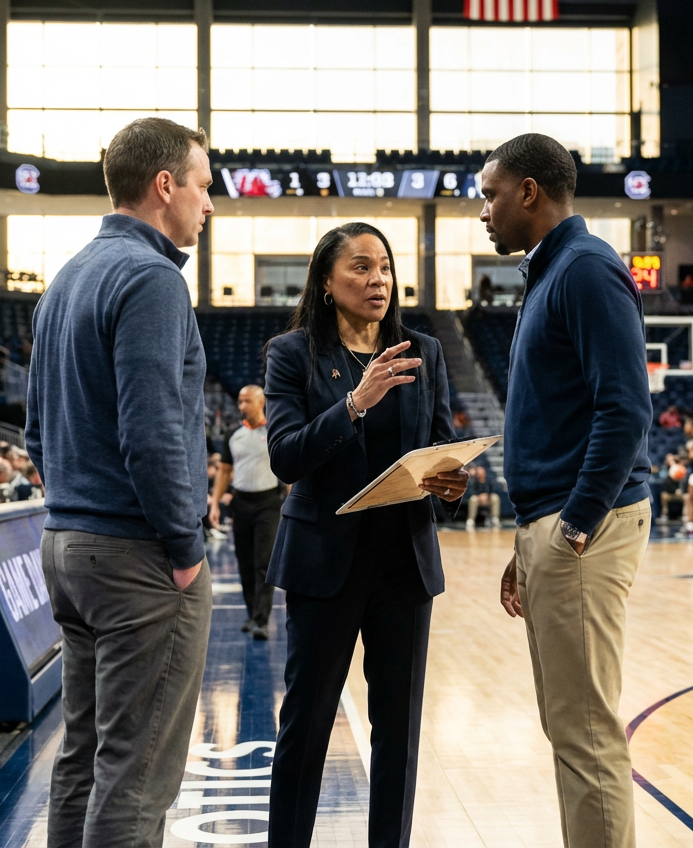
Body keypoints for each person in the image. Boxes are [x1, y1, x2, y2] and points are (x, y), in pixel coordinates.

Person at [25, 117, 215, 847]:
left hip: (67, 546)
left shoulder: (68, 277)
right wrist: (184, 547)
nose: (207, 204)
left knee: (83, 757)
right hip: (136, 556)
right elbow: (154, 432)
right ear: (163, 186)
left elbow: (38, 431)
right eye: (201, 186)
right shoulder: (152, 278)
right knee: (137, 775)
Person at [265, 222, 466, 848]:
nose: (377, 279)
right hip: (325, 563)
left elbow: (438, 450)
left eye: (383, 267)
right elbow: (286, 457)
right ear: (326, 282)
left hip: (404, 565)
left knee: (398, 730)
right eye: (360, 267)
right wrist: (354, 402)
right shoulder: (292, 352)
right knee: (307, 725)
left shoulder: (423, 350)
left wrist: (452, 488)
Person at [484, 133, 652, 848]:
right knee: (569, 728)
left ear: (529, 192)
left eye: (491, 194)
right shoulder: (551, 272)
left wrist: (573, 526)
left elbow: (627, 409)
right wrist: (532, 538)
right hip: (554, 525)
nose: (483, 210)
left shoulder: (584, 269)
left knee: (585, 734)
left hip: (584, 526)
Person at [208, 385, 282, 640]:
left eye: (247, 401)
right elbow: (225, 472)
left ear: (261, 402)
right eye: (239, 402)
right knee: (245, 562)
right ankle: (252, 614)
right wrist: (215, 503)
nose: (241, 407)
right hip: (241, 504)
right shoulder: (234, 434)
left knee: (263, 563)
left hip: (269, 504)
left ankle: (262, 619)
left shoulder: (274, 431)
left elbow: (287, 467)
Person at [465, 464, 502, 530]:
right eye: (479, 472)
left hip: (488, 499)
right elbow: (472, 491)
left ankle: (495, 519)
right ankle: (470, 520)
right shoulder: (474, 481)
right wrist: (479, 496)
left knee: (495, 497)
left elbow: (493, 489)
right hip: (478, 499)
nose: (481, 473)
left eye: (482, 471)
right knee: (473, 499)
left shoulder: (488, 480)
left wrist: (487, 495)